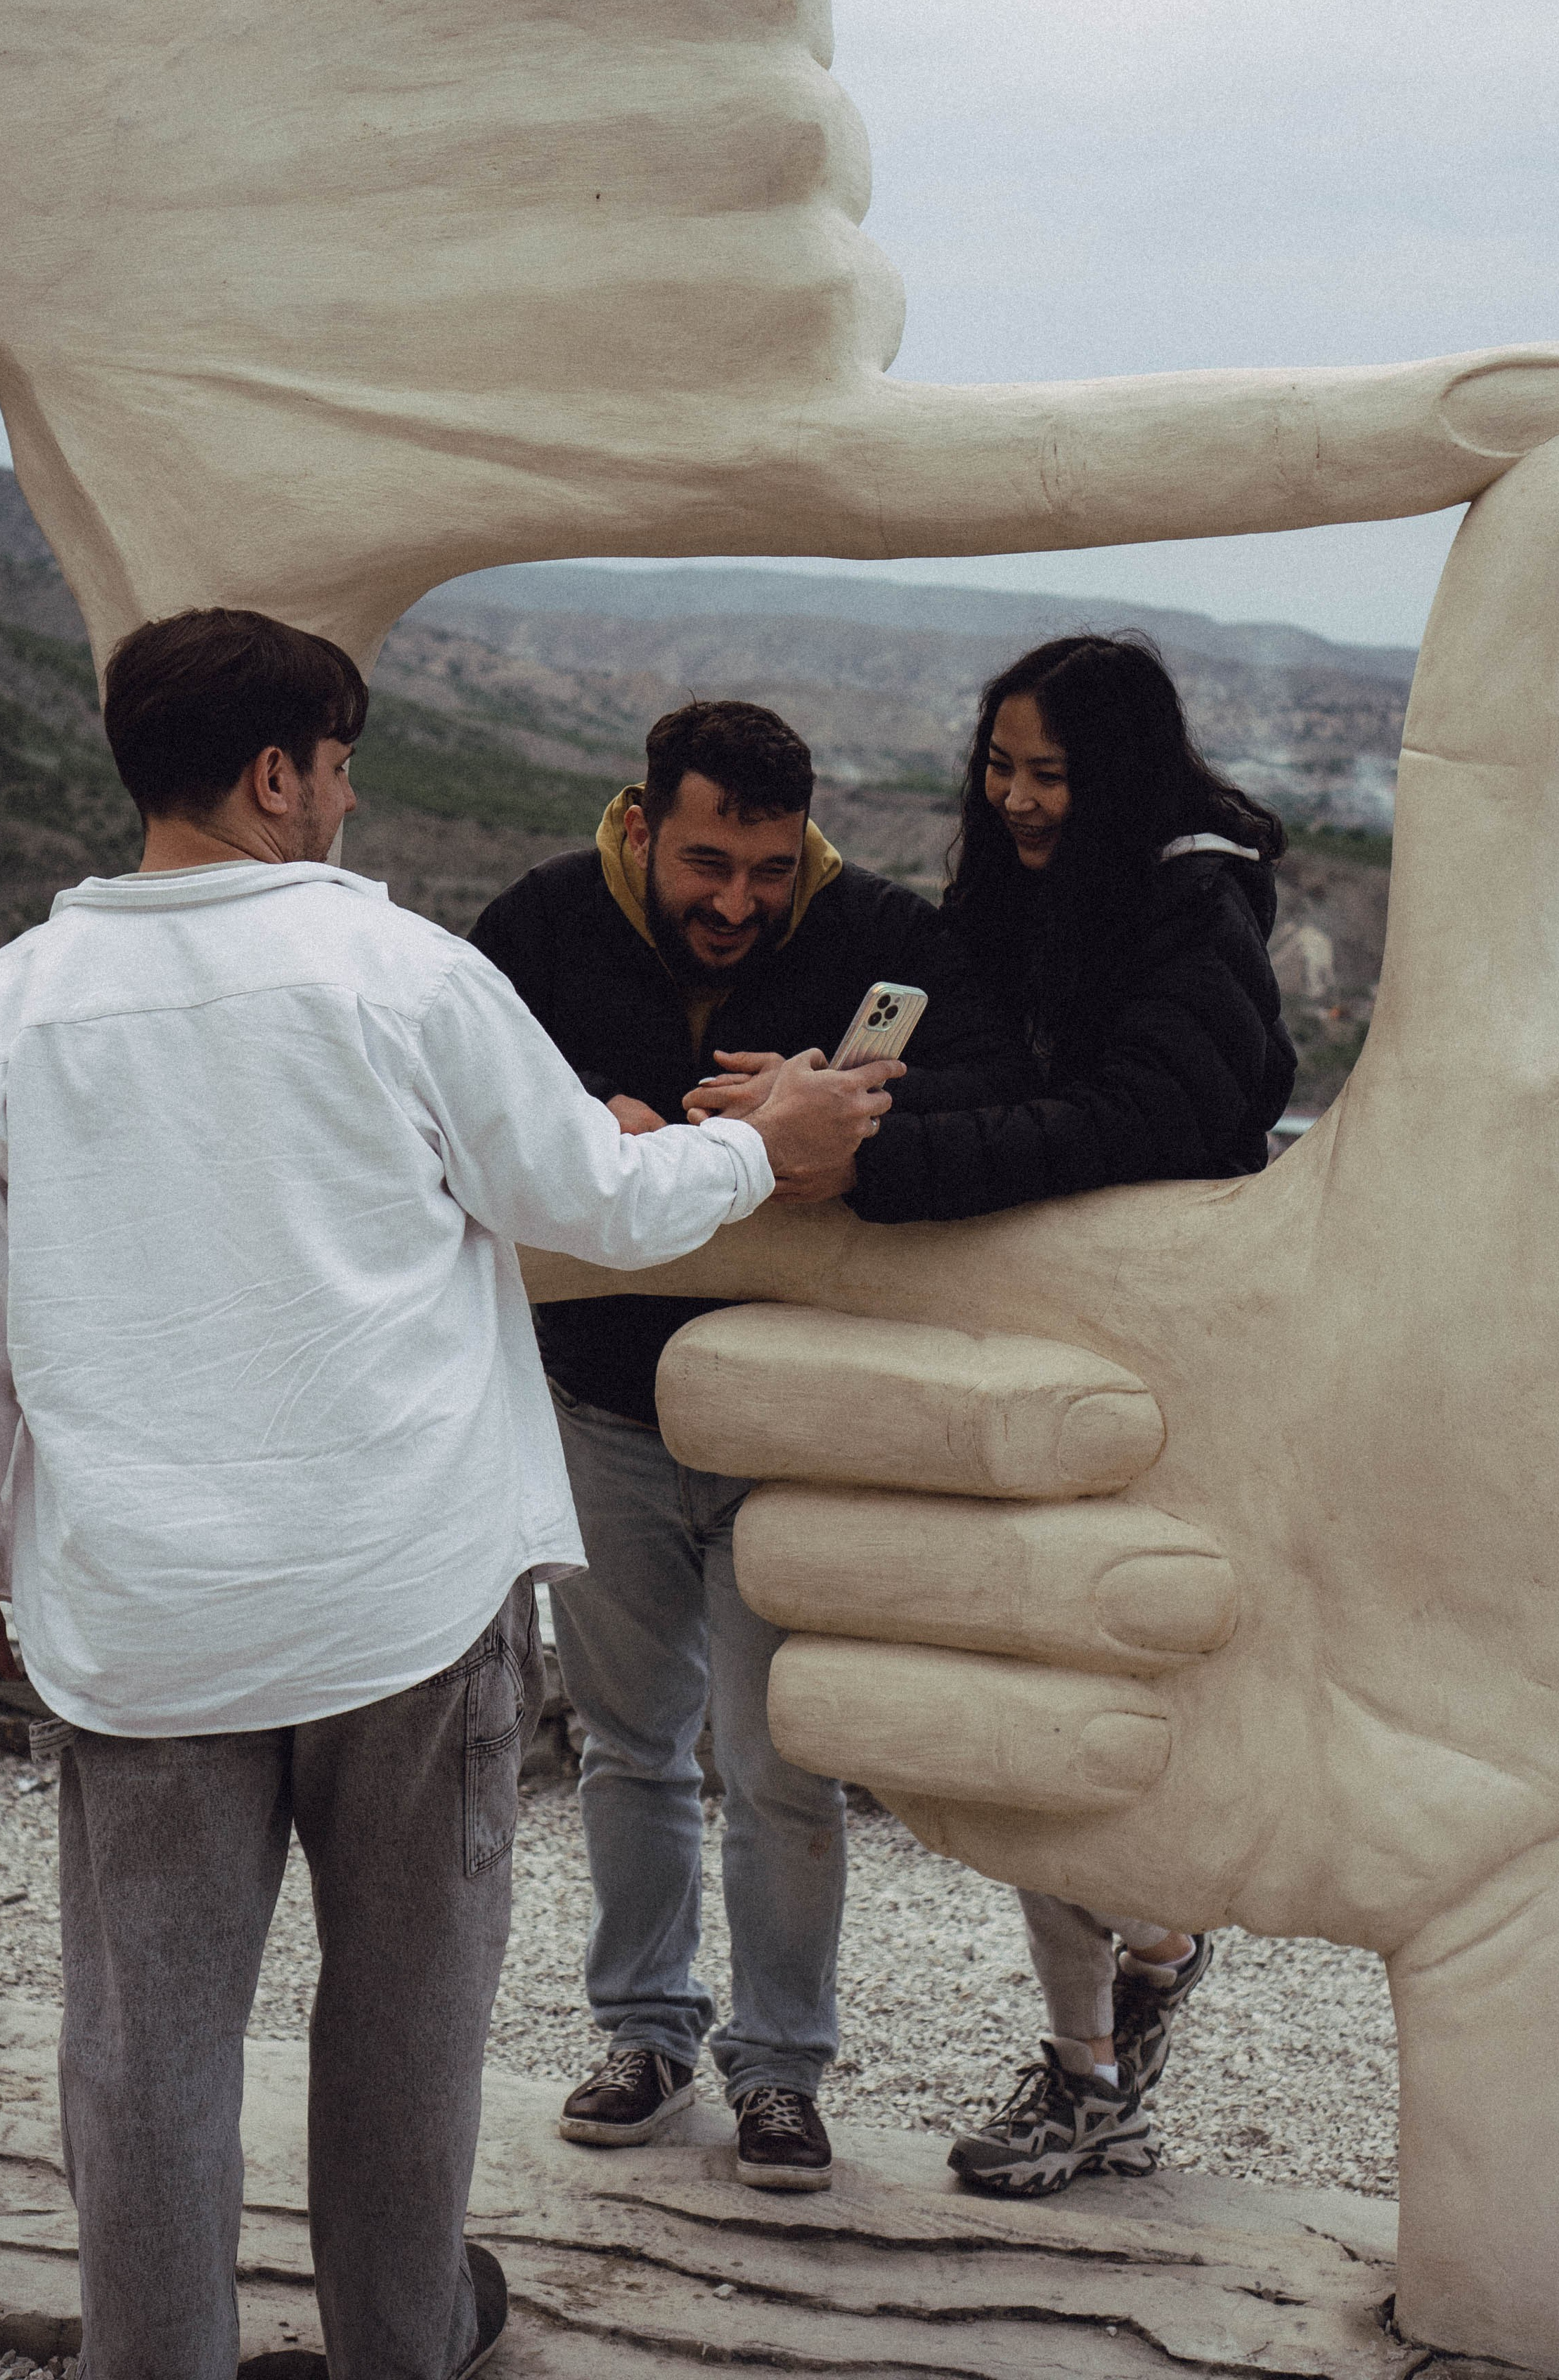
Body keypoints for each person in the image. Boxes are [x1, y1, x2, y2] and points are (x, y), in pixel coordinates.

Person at [0, 611, 896, 2380]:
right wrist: (776, 1139)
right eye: (342, 763)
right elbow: (594, 1195)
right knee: (404, 2037)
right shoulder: (404, 979)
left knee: (143, 2058)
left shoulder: (6, 1009)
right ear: (278, 773)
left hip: (146, 1626)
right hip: (399, 1603)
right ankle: (403, 2339)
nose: (350, 798)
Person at [687, 634, 1295, 2199]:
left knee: (1066, 1719)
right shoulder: (1044, 889)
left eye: (1050, 775)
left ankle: (1093, 2065)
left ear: (1120, 775)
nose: (1018, 802)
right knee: (1019, 1711)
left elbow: (1140, 1121)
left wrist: (875, 1167)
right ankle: (1140, 1967)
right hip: (1041, 1346)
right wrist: (828, 1103)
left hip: (1151, 1367)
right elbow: (994, 1073)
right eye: (1000, 768)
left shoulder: (1188, 901)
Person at [467, 697, 1022, 2192]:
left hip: (800, 1425)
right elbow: (449, 1105)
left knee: (785, 1765)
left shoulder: (888, 934)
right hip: (600, 1401)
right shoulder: (530, 924)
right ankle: (641, 2034)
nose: (737, 901)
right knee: (626, 1748)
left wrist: (845, 1114)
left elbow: (998, 1084)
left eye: (769, 870)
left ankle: (781, 2069)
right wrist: (589, 1121)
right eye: (708, 862)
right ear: (640, 825)